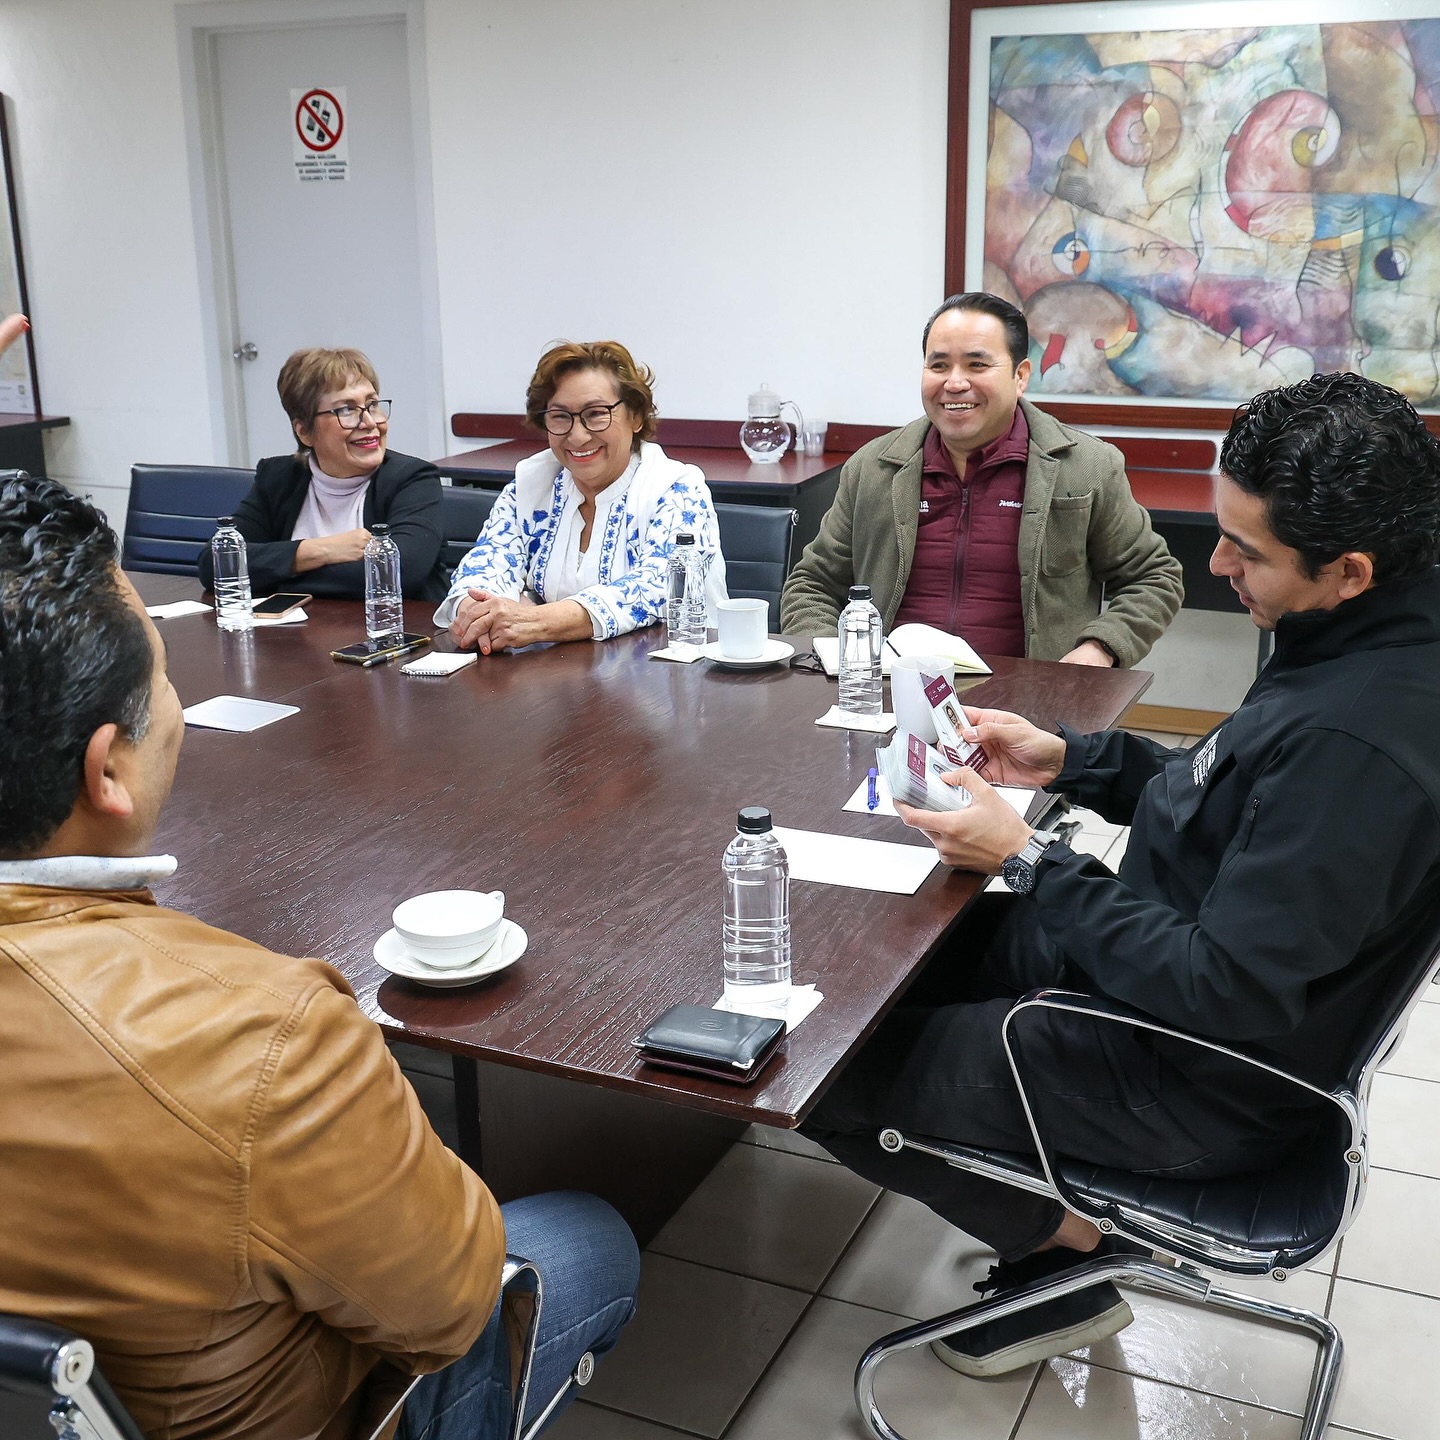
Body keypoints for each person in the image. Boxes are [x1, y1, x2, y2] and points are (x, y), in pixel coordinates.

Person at [801, 372, 1440, 1378]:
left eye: (1248, 549)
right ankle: (1050, 1222)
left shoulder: (1363, 743)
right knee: (884, 966)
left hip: (1194, 1074)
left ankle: (1063, 1253)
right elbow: (1228, 790)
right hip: (1155, 965)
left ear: (1350, 569)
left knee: (824, 1070)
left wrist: (1024, 855)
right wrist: (1071, 758)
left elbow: (1223, 985)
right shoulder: (1350, 638)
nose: (1219, 560)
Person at [0, 473, 639, 1438]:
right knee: (586, 1238)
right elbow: (450, 1301)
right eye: (165, 677)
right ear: (108, 770)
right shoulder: (262, 1036)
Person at [780, 293, 1183, 666]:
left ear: (1021, 375)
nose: (954, 382)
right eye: (938, 365)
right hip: (891, 697)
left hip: (1031, 710)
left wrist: (1100, 649)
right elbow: (812, 582)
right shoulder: (873, 467)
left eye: (976, 364)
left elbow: (1153, 577)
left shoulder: (1086, 466)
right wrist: (833, 662)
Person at [437, 340, 726, 652]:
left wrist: (532, 620)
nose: (578, 435)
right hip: (559, 678)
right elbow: (484, 565)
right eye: (560, 416)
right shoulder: (531, 486)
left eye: (596, 413)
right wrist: (478, 614)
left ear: (636, 417)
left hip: (671, 681)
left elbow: (655, 590)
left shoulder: (676, 487)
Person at [198, 347, 451, 601]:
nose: (370, 423)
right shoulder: (279, 478)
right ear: (305, 431)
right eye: (346, 410)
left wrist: (276, 577)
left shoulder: (412, 479)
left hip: (394, 634)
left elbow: (398, 571)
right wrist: (321, 550)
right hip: (296, 636)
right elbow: (216, 564)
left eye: (372, 405)